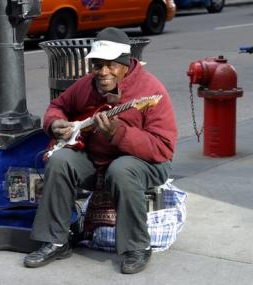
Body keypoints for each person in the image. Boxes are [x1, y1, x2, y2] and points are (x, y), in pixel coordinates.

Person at [23, 27, 177, 274]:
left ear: (125, 64)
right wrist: (54, 123)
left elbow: (163, 148)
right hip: (97, 160)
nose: (103, 72)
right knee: (60, 160)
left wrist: (118, 134)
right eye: (97, 65)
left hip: (146, 163)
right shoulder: (87, 85)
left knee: (122, 169)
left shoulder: (151, 91)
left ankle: (136, 247)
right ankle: (55, 240)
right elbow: (58, 105)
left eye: (111, 65)